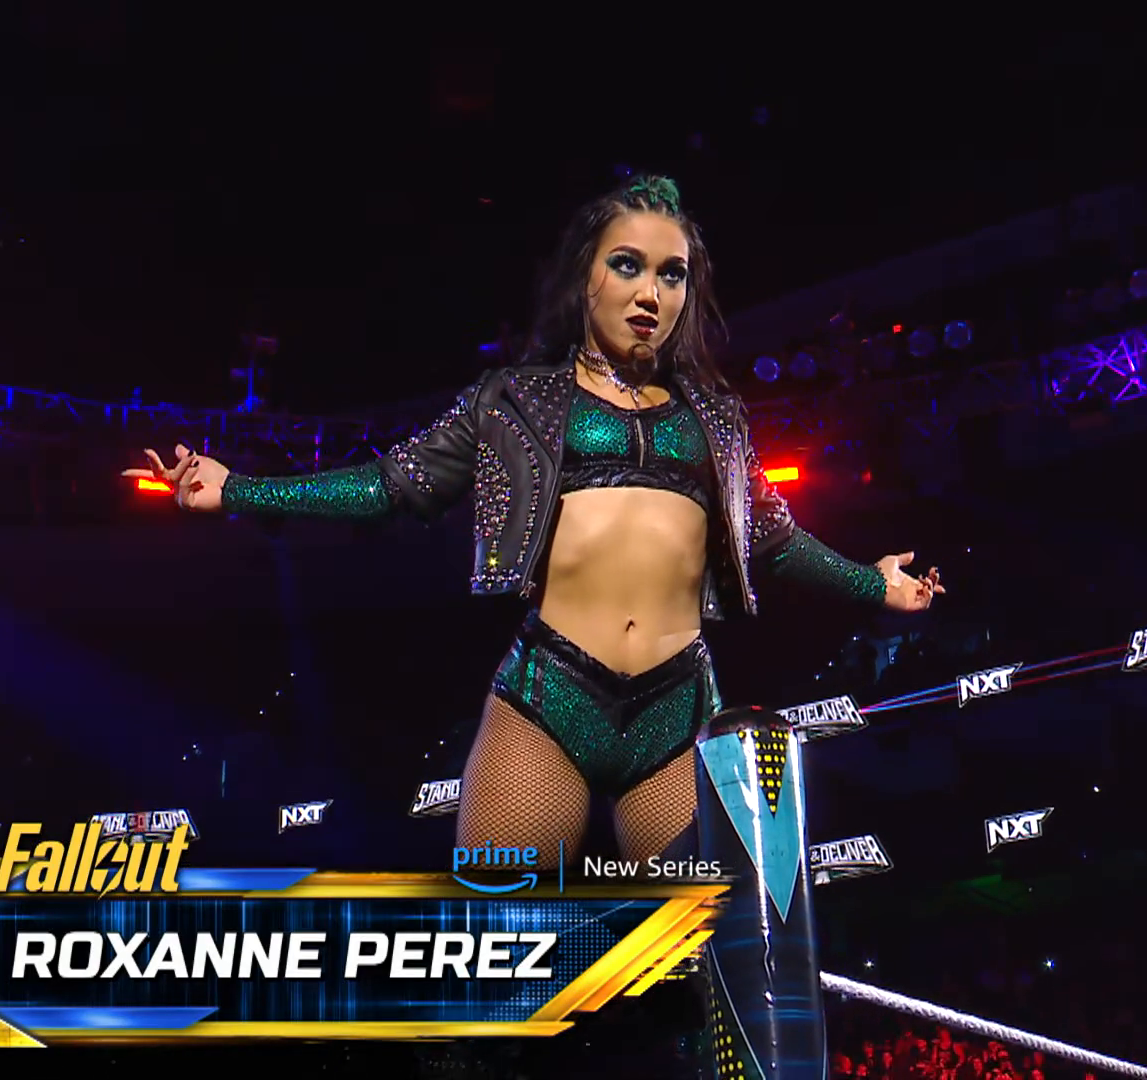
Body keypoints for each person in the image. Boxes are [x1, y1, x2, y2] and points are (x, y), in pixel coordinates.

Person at [126, 174, 940, 867]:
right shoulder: (516, 399)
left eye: (673, 275)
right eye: (628, 266)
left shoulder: (718, 419)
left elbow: (772, 536)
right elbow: (391, 485)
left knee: (698, 958)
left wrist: (875, 585)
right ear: (586, 278)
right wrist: (241, 491)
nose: (651, 294)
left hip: (678, 704)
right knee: (506, 951)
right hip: (550, 696)